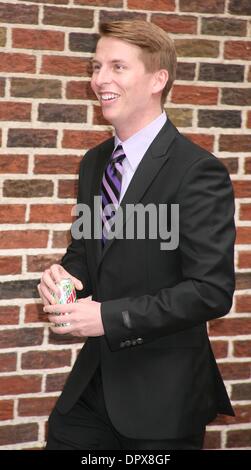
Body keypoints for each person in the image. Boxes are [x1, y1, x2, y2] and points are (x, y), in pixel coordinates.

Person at [38, 20, 236, 450]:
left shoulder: (197, 171)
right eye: (96, 66)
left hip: (161, 399)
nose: (99, 80)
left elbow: (210, 292)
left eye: (117, 67)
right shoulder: (94, 162)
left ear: (157, 80)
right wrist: (68, 280)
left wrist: (106, 318)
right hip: (93, 386)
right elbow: (85, 249)